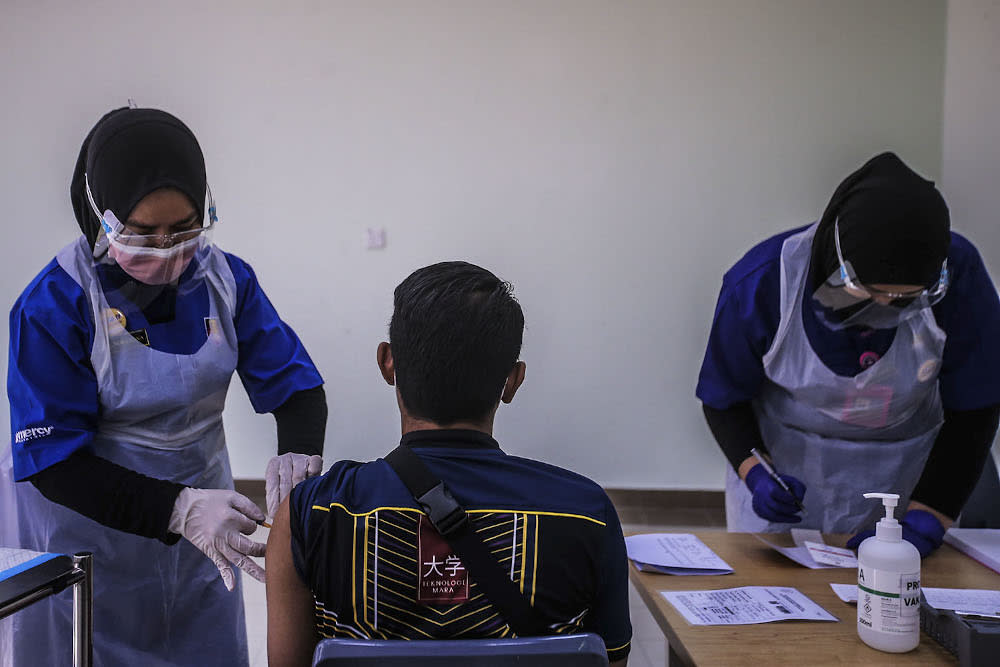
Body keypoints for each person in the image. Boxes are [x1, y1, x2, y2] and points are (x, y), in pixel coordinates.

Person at [1, 106, 328, 666]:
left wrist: (297, 455)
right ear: (102, 218)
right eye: (143, 232)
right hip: (86, 529)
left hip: (203, 529)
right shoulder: (55, 304)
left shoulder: (227, 282)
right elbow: (55, 461)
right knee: (85, 647)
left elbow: (296, 388)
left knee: (198, 646)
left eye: (183, 229)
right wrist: (177, 510)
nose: (167, 248)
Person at [265, 262, 631, 667]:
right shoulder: (585, 513)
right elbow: (610, 661)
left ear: (388, 363)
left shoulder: (312, 514)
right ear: (513, 380)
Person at [697, 152, 1000, 556]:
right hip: (790, 474)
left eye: (905, 299)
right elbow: (724, 400)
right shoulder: (763, 283)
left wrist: (930, 517)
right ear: (838, 263)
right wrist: (757, 475)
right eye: (871, 293)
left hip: (909, 480)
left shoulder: (959, 274)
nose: (887, 307)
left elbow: (976, 410)